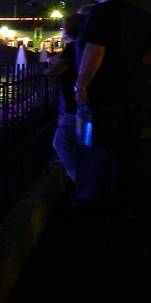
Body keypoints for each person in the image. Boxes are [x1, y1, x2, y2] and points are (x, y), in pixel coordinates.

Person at [73, 0, 151, 215]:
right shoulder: (139, 14)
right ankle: (122, 203)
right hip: (133, 92)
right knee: (125, 153)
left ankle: (94, 205)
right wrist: (144, 60)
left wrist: (82, 85)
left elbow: (94, 51)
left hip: (102, 95)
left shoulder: (100, 13)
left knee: (95, 150)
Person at [45, 12, 84, 189]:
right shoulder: (81, 47)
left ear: (67, 29)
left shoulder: (73, 47)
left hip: (75, 108)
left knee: (61, 143)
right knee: (80, 142)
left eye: (63, 26)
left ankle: (79, 184)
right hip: (79, 106)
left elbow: (55, 70)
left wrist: (44, 71)